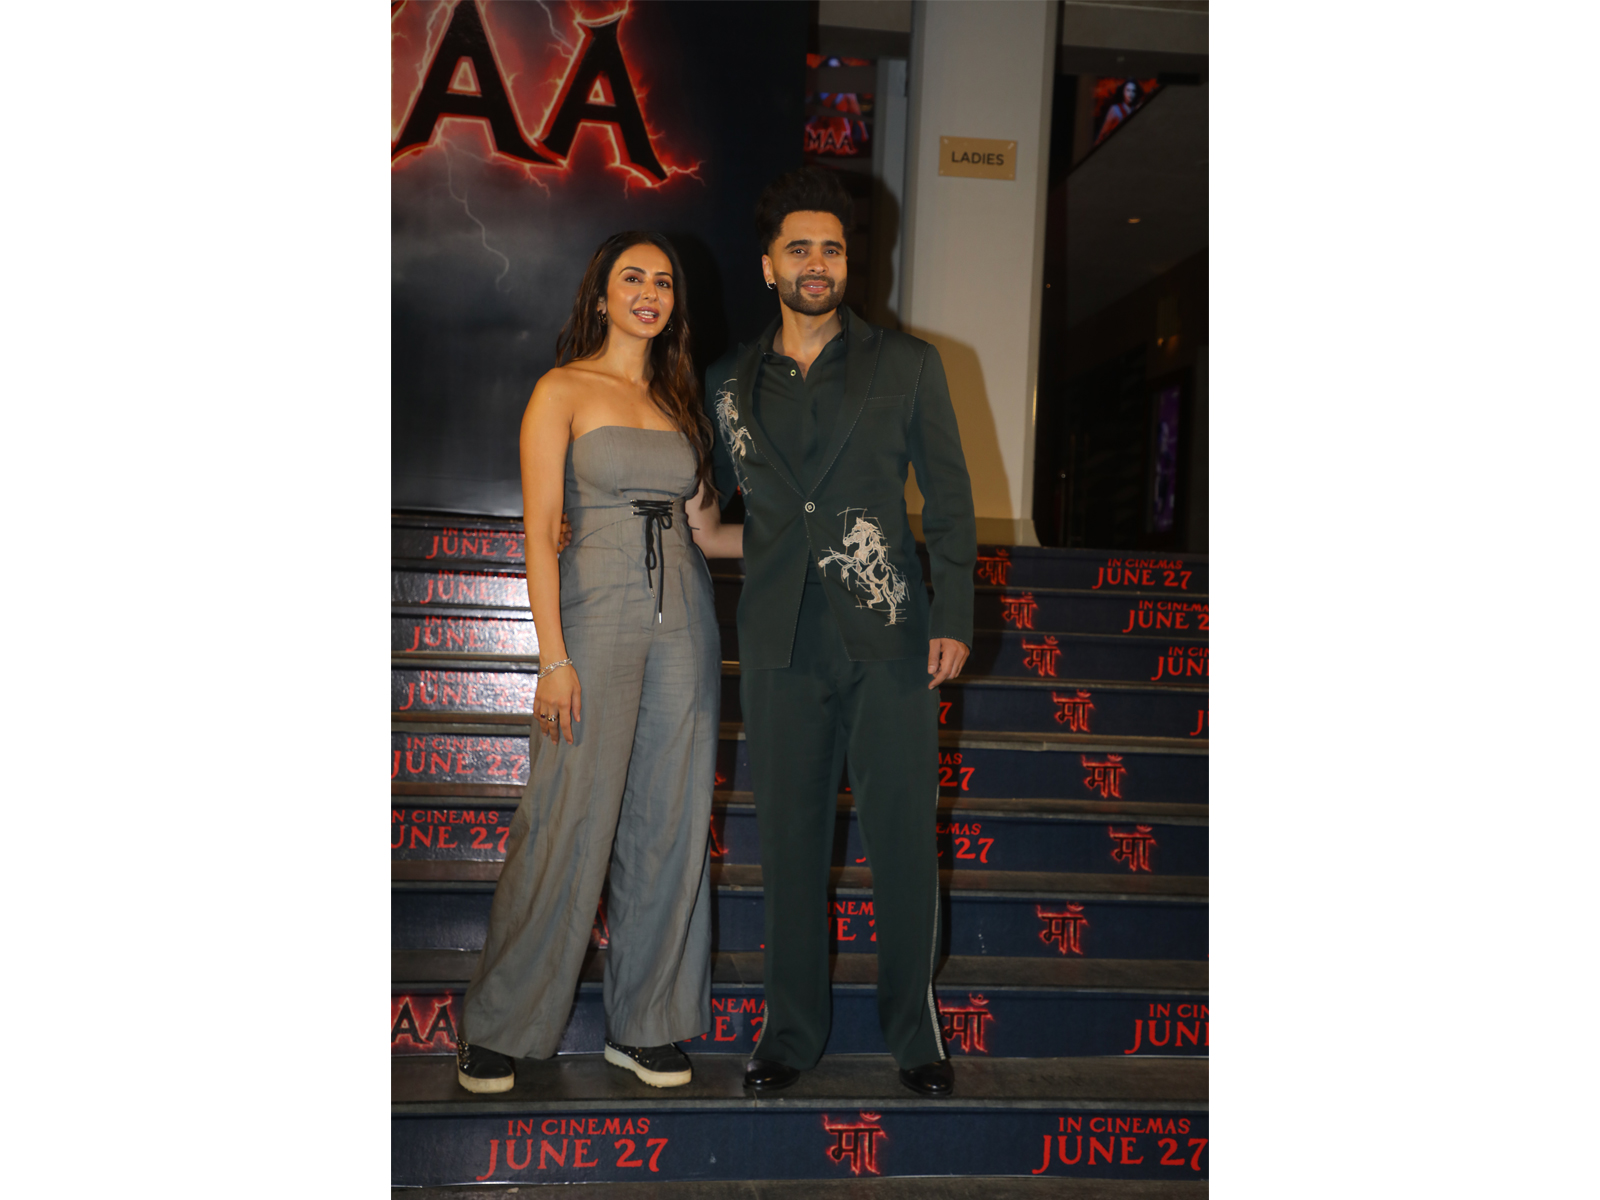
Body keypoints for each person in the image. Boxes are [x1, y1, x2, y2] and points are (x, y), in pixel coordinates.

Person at [687, 167, 977, 1097]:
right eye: (799, 248)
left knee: (903, 839)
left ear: (850, 262)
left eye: (833, 248)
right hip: (779, 642)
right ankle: (790, 1032)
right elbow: (720, 508)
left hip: (891, 634)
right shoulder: (727, 382)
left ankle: (915, 1034)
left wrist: (954, 613)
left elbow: (951, 500)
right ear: (768, 264)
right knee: (790, 844)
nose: (818, 263)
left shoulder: (909, 364)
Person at [455, 231, 721, 1094]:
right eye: (631, 278)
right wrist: (553, 658)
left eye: (663, 281)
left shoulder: (681, 400)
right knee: (565, 815)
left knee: (671, 818)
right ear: (601, 296)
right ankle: (501, 1024)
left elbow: (708, 531)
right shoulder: (561, 388)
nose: (650, 292)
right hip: (595, 613)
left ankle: (647, 1026)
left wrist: (810, 533)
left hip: (685, 617)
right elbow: (539, 530)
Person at [1095, 78, 1145, 144]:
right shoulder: (1115, 109)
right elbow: (1103, 133)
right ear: (1123, 91)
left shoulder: (1136, 110)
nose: (1130, 94)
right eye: (1128, 90)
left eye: (1133, 91)